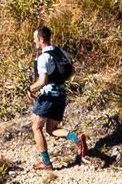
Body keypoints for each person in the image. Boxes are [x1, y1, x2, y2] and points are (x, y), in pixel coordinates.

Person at [27, 22, 90, 173]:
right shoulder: (60, 51)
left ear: (41, 40)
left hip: (49, 96)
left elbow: (43, 81)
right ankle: (76, 139)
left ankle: (46, 163)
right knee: (51, 129)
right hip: (61, 94)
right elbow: (72, 70)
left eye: (35, 38)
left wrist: (30, 89)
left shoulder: (43, 57)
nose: (34, 41)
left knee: (36, 127)